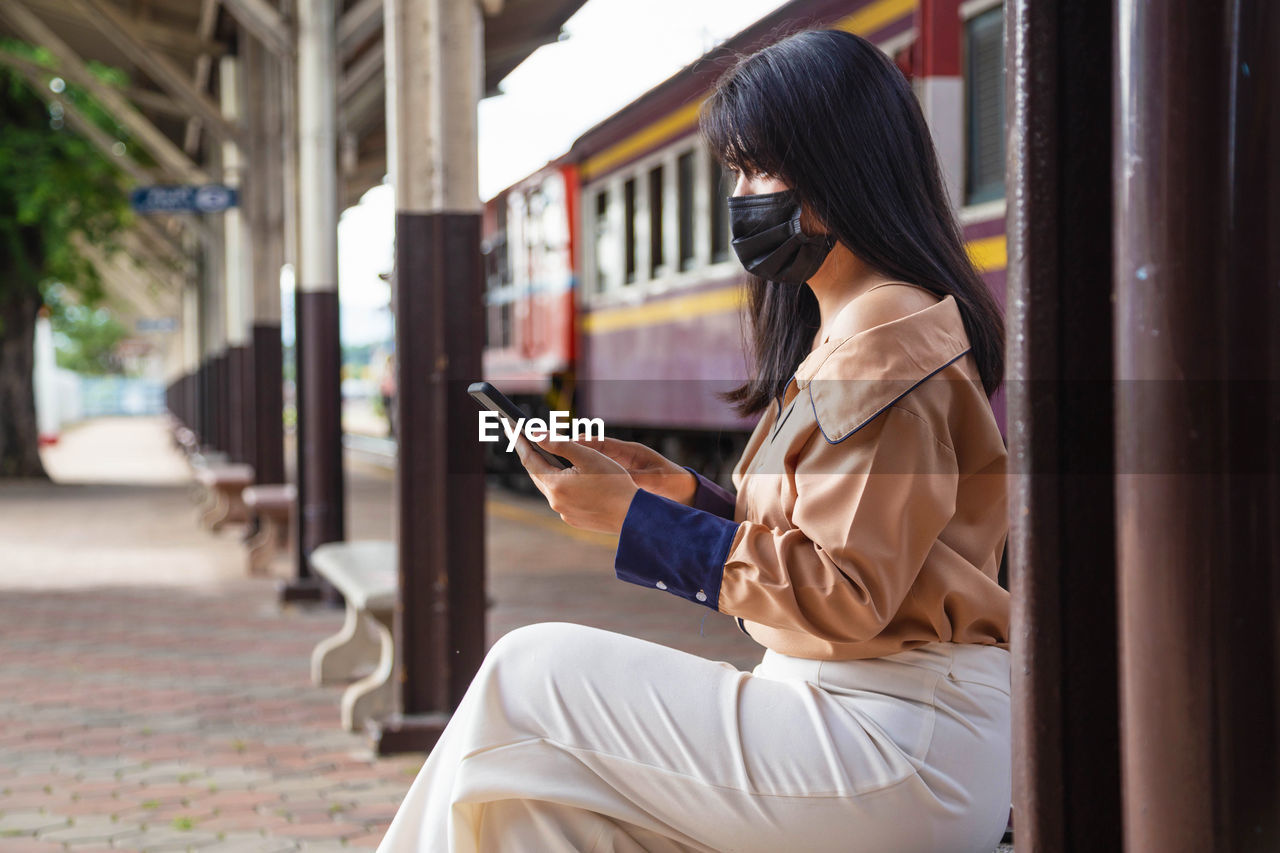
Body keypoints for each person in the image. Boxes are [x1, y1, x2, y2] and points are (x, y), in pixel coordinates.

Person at [378, 28, 1010, 853]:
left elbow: (847, 595)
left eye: (759, 168)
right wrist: (683, 496)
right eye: (737, 172)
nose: (743, 195)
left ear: (838, 165)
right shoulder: (854, 326)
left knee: (525, 675)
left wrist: (640, 525)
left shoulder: (881, 339)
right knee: (535, 810)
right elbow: (841, 544)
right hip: (863, 720)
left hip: (889, 738)